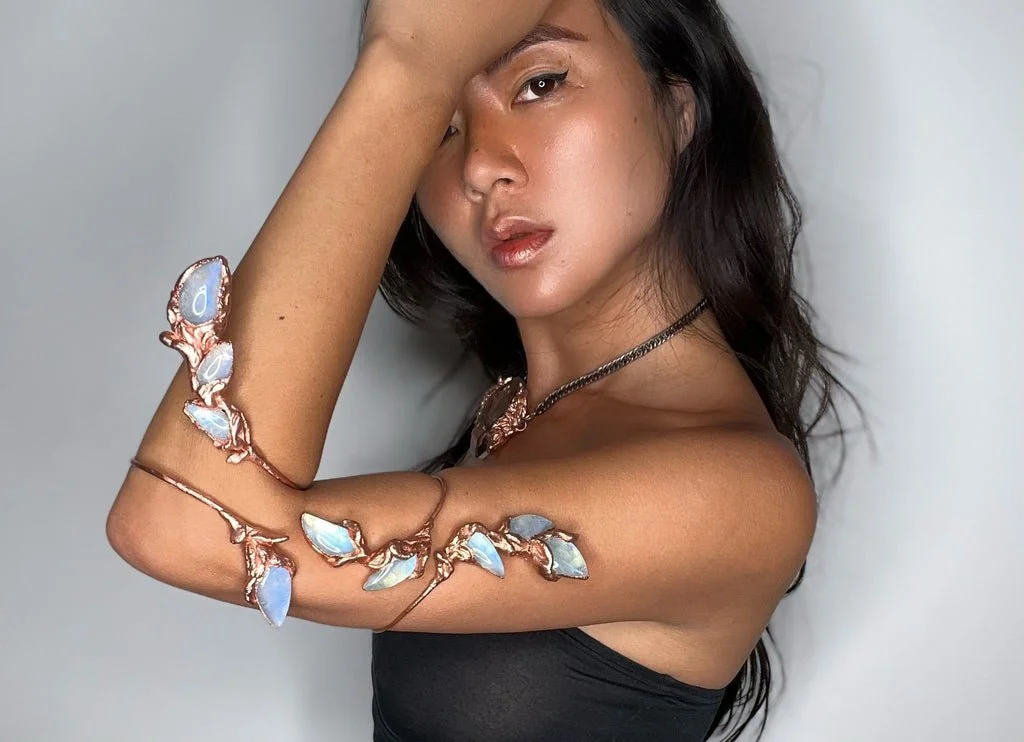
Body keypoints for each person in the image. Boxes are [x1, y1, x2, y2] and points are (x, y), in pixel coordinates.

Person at [106, 1, 863, 740]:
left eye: (540, 83)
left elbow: (187, 526)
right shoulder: (513, 411)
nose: (479, 167)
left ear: (679, 109)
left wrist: (406, 68)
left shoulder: (738, 491)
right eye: (440, 126)